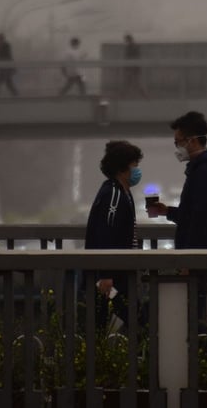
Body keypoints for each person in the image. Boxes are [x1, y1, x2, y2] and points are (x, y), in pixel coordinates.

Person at [147, 111, 207, 329]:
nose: (177, 148)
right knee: (191, 311)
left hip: (197, 256)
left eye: (178, 142)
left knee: (192, 314)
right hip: (198, 255)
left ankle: (197, 347)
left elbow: (200, 219)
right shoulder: (200, 169)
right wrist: (168, 211)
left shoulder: (204, 172)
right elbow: (192, 214)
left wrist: (187, 260)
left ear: (191, 141)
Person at [84, 140, 144, 331]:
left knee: (122, 318)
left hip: (119, 272)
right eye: (135, 164)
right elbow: (106, 232)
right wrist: (106, 273)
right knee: (134, 319)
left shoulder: (121, 192)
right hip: (111, 277)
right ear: (122, 168)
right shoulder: (114, 195)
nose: (137, 170)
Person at [0, 33, 18, 97]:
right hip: (3, 68)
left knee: (0, 82)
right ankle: (16, 95)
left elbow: (7, 56)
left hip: (6, 67)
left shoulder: (6, 46)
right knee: (7, 82)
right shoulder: (0, 45)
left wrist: (11, 66)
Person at [121, 33, 148, 98]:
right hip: (133, 68)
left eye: (126, 40)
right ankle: (144, 95)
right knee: (132, 82)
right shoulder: (132, 47)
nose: (126, 41)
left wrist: (129, 67)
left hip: (133, 68)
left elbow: (132, 57)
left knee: (134, 82)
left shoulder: (132, 47)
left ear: (129, 40)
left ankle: (144, 95)